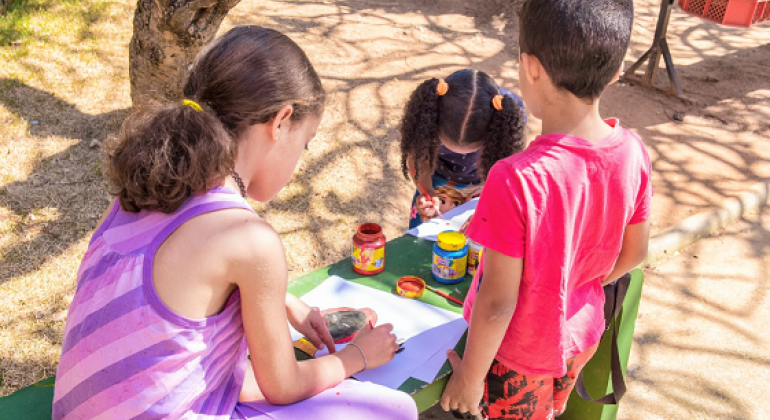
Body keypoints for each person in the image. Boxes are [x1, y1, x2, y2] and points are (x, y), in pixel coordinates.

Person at [52, 26, 417, 420]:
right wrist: (357, 356)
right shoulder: (247, 238)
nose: (299, 159)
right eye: (304, 143)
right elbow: (284, 386)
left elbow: (185, 274)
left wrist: (288, 303)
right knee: (394, 410)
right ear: (281, 122)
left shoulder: (146, 189)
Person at [439, 0, 652, 419]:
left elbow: (498, 302)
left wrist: (469, 378)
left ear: (531, 68)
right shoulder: (632, 151)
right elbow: (635, 252)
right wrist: (575, 280)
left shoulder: (515, 177)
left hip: (517, 359)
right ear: (614, 72)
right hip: (581, 335)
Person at [399, 69, 526, 229]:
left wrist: (489, 197)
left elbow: (509, 162)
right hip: (433, 178)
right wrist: (427, 191)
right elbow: (417, 156)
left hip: (483, 186)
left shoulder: (507, 113)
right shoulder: (428, 109)